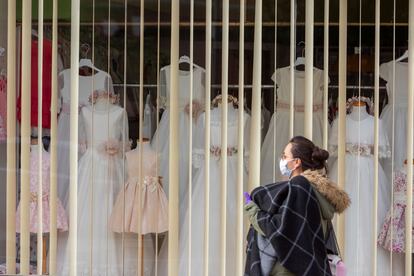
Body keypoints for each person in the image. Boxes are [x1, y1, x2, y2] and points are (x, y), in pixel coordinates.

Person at [244, 136, 350, 276]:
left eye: (285, 156)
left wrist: (253, 211)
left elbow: (279, 231)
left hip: (288, 270)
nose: (281, 160)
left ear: (296, 162)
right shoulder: (317, 191)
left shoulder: (299, 187)